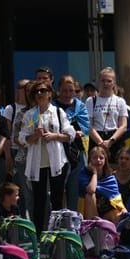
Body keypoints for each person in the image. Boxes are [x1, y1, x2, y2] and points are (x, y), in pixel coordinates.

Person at [19, 79, 76, 234]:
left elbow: (70, 134)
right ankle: (38, 236)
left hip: (57, 162)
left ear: (50, 94)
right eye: (37, 91)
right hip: (37, 164)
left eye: (43, 90)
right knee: (39, 201)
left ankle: (57, 235)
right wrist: (34, 136)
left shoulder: (58, 112)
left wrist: (54, 136)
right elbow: (22, 139)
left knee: (57, 200)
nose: (40, 93)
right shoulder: (30, 115)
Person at [53, 75, 90, 211]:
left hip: (76, 154)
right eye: (64, 91)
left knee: (73, 191)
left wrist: (77, 132)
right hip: (57, 152)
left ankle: (73, 221)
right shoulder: (52, 106)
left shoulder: (80, 107)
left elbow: (85, 127)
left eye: (71, 91)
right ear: (59, 91)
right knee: (57, 191)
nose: (68, 94)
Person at [86, 67, 128, 164]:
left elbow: (123, 126)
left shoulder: (120, 101)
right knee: (96, 169)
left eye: (109, 81)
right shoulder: (90, 101)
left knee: (116, 170)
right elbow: (89, 126)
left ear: (114, 83)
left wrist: (110, 141)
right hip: (96, 138)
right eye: (103, 81)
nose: (105, 84)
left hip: (115, 139)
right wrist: (101, 143)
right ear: (98, 82)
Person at [5, 79, 33, 217]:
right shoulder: (16, 111)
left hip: (43, 157)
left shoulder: (48, 110)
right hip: (21, 155)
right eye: (23, 89)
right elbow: (12, 135)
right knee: (24, 193)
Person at [83, 145, 127, 223]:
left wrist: (124, 212)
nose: (98, 160)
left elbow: (116, 199)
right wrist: (95, 173)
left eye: (101, 158)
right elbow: (91, 190)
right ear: (90, 160)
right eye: (94, 158)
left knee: (118, 214)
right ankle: (93, 228)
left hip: (106, 214)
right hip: (89, 213)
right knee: (90, 196)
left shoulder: (110, 178)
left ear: (105, 160)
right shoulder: (84, 175)